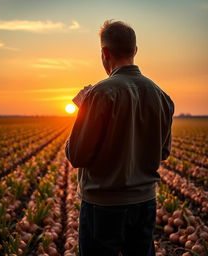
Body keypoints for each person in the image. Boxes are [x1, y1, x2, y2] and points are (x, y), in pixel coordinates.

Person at [65, 19, 175, 256]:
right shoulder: (162, 96)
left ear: (105, 53)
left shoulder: (100, 93)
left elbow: (77, 155)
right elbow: (163, 152)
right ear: (135, 51)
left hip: (103, 206)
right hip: (145, 203)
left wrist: (82, 110)